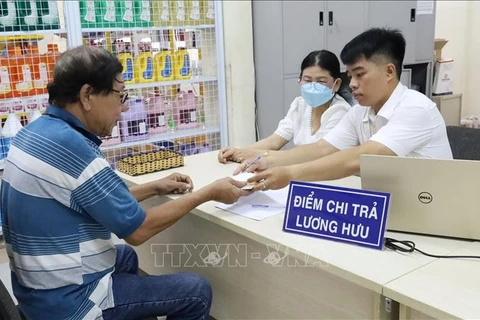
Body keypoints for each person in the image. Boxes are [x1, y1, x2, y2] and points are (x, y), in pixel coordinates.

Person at [0, 45, 251, 320]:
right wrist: (208, 192)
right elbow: (138, 230)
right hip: (69, 304)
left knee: (125, 258)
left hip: (36, 290)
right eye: (120, 96)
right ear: (87, 95)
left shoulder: (34, 133)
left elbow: (96, 200)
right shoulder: (72, 148)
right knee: (195, 290)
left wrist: (155, 186)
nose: (124, 108)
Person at [237, 28, 453, 191]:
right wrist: (266, 161)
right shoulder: (359, 112)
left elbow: (360, 157)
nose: (353, 84)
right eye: (350, 76)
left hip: (431, 207)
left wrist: (289, 174)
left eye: (360, 74)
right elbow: (321, 149)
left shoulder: (416, 108)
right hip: (392, 204)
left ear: (389, 72)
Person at [218, 50, 351, 164]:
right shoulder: (300, 105)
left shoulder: (340, 111)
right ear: (299, 80)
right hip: (300, 173)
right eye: (308, 80)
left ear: (337, 84)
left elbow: (318, 153)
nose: (313, 86)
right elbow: (274, 141)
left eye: (321, 81)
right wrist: (239, 152)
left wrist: (260, 157)